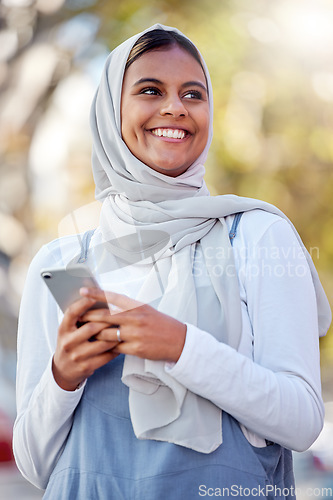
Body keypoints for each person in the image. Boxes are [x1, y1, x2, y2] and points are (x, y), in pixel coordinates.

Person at [13, 24, 331, 499]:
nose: (175, 108)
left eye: (192, 94)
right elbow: (36, 466)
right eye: (149, 90)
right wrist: (63, 377)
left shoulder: (258, 236)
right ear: (110, 111)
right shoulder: (63, 263)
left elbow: (303, 421)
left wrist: (182, 347)